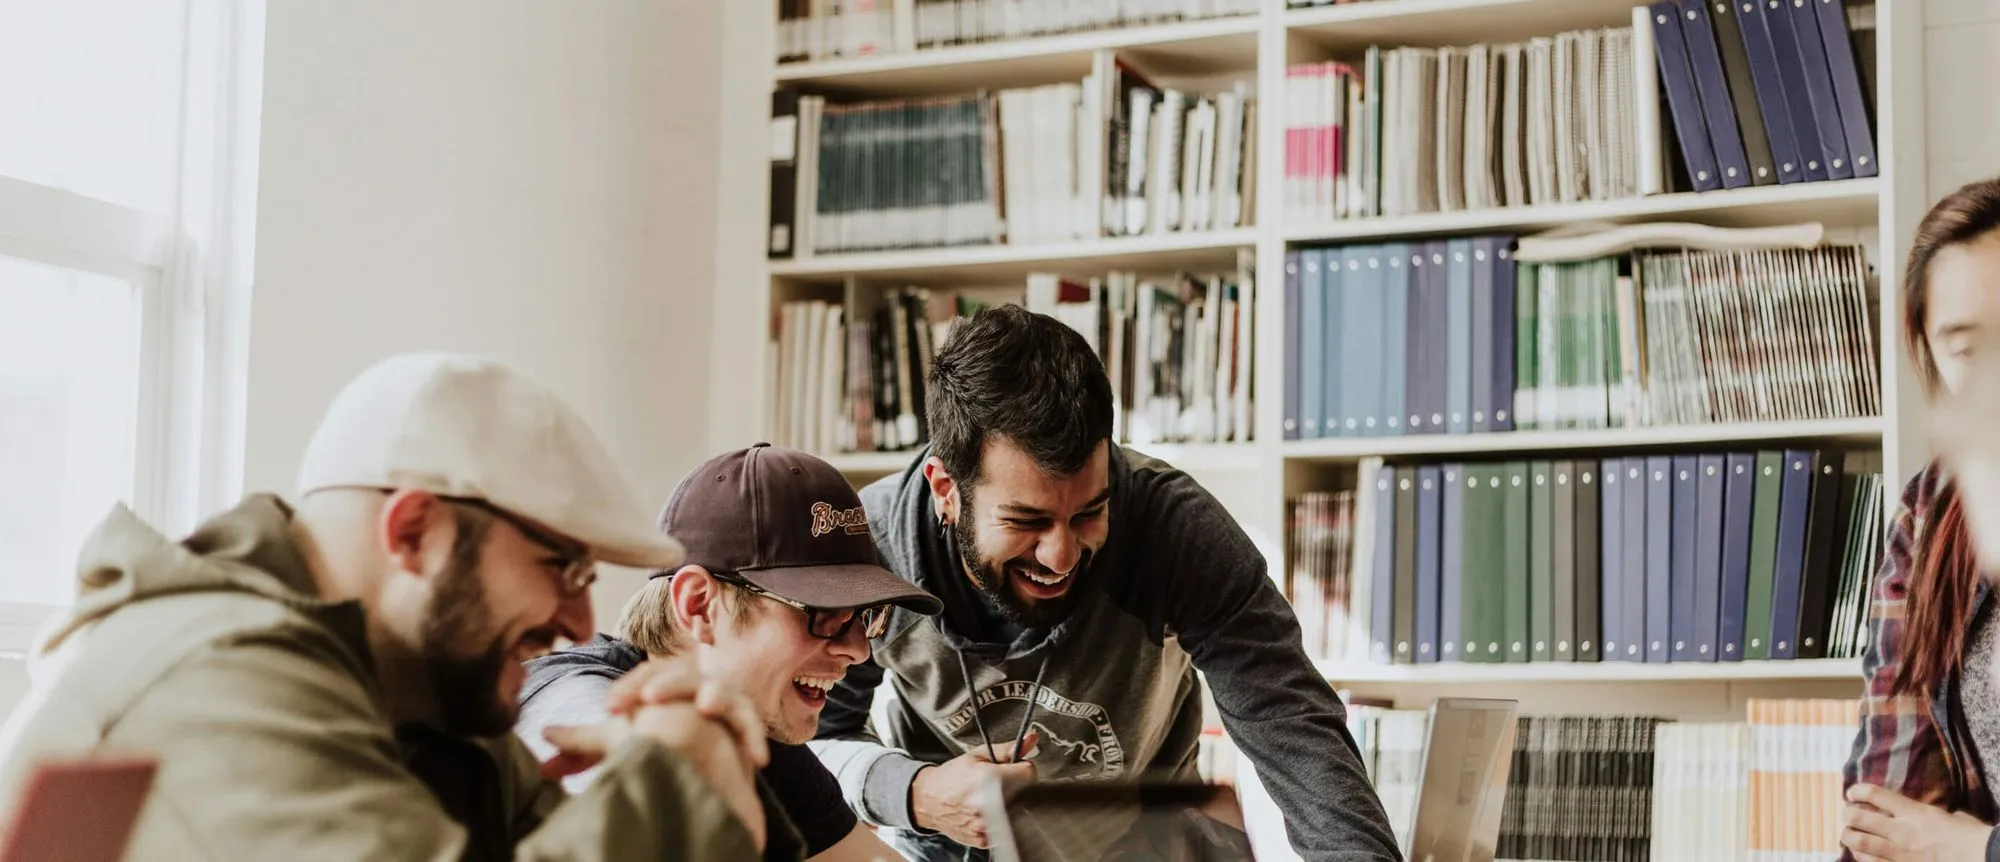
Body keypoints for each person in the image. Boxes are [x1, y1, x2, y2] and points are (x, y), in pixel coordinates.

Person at [0, 352, 781, 860]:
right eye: (561, 566)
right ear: (413, 531)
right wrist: (680, 772)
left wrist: (690, 754)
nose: (581, 624)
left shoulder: (416, 690)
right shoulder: (217, 679)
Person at [810, 305, 1402, 861]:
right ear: (946, 490)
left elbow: (1291, 720)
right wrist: (915, 793)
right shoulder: (872, 550)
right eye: (1026, 520)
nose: (1062, 555)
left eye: (1089, 512)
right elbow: (809, 742)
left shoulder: (1173, 528)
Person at [516, 443, 943, 861]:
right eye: (824, 614)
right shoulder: (569, 693)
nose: (858, 649)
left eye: (865, 616)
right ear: (698, 604)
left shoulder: (761, 729)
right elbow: (608, 747)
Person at [1841, 177, 2000, 862]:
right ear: (1929, 355)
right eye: (1968, 347)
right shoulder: (1935, 510)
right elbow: (1886, 816)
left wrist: (1978, 850)